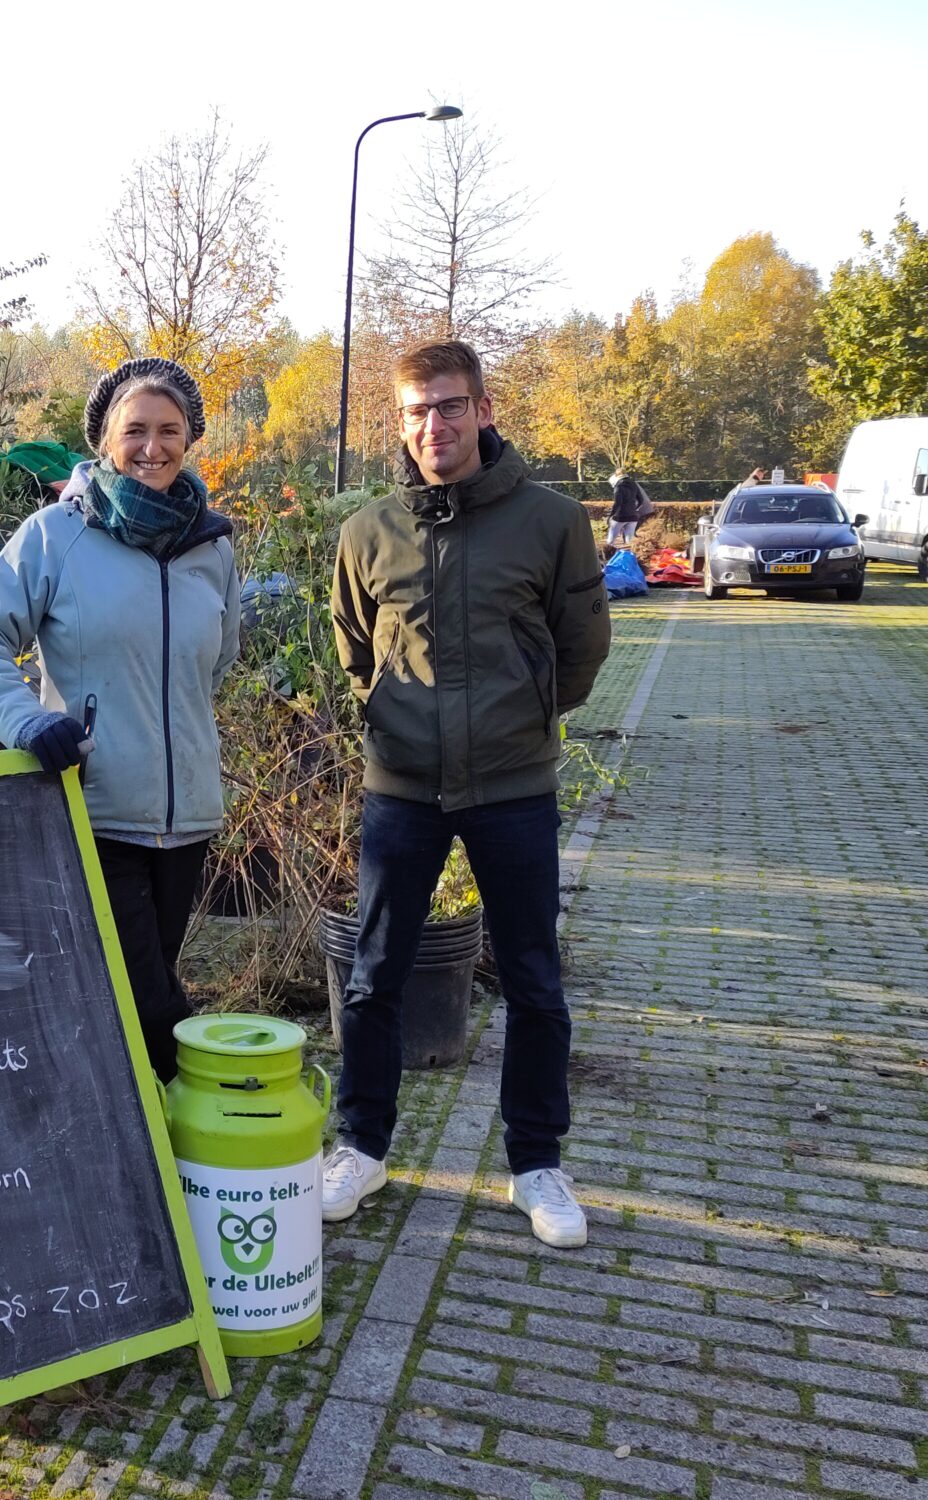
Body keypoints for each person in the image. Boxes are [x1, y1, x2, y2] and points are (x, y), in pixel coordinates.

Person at [328, 339, 611, 1249]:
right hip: (403, 790)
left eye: (449, 407)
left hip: (512, 787)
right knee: (373, 978)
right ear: (400, 421)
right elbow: (353, 648)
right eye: (415, 411)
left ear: (484, 411)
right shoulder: (368, 531)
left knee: (533, 981)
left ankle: (537, 1164)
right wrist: (395, 717)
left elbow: (582, 647)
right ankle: (362, 1147)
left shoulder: (551, 522)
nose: (432, 427)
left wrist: (525, 715)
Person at [0, 357, 240, 1082]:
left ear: (190, 439)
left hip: (188, 819)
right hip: (92, 806)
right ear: (105, 439)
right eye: (135, 430)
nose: (153, 446)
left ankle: (123, 1149)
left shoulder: (212, 546)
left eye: (169, 431)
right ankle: (203, 1127)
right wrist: (28, 722)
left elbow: (218, 659)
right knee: (145, 1003)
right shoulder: (56, 535)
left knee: (127, 996)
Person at [605, 470, 653, 550]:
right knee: (629, 542)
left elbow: (617, 503)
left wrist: (611, 516)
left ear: (617, 476)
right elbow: (641, 499)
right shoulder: (634, 484)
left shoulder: (619, 486)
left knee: (610, 541)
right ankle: (630, 559)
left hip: (620, 517)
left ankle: (607, 558)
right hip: (633, 517)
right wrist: (635, 509)